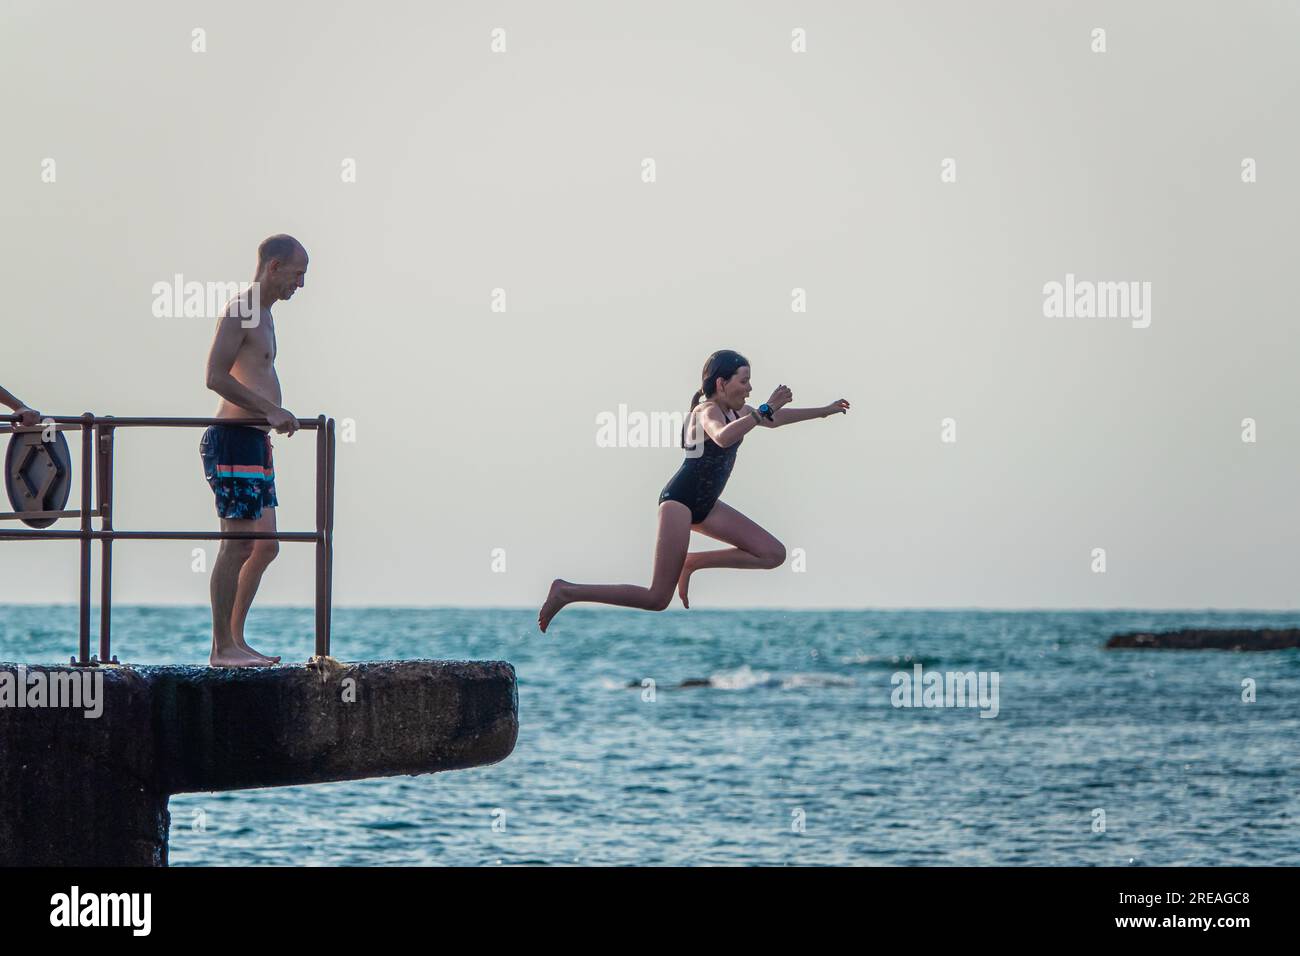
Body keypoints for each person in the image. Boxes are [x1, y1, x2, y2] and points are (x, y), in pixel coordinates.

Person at [538, 349, 849, 631]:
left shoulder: (740, 412)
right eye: (744, 381)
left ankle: (694, 561)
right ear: (721, 384)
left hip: (707, 506)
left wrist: (825, 410)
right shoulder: (706, 412)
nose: (750, 388)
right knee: (657, 598)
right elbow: (723, 437)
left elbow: (776, 419)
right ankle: (567, 591)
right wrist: (764, 408)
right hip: (679, 502)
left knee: (773, 554)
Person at [201, 234, 308, 667]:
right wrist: (270, 408)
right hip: (232, 438)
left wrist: (272, 416)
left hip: (255, 440)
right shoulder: (242, 309)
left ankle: (236, 640)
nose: (300, 285)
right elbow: (214, 376)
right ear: (274, 267)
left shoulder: (265, 314)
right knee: (238, 545)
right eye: (297, 275)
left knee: (266, 545)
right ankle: (220, 648)